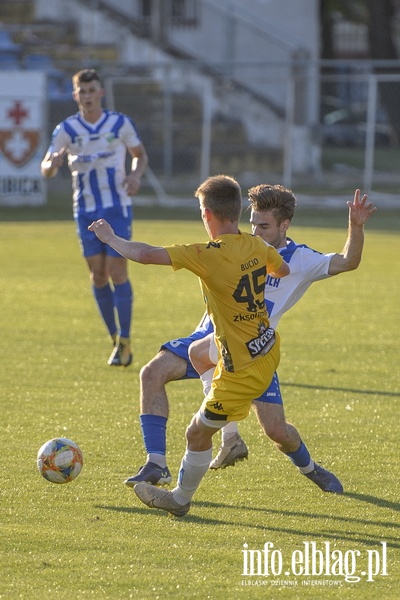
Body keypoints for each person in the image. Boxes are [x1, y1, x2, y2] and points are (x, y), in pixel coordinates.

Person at [123, 185, 376, 494]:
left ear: (285, 225)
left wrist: (356, 226)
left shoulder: (301, 260)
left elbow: (349, 261)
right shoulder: (239, 243)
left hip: (253, 351)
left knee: (277, 431)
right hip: (211, 337)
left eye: (264, 225)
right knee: (153, 372)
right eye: (253, 222)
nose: (255, 230)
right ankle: (158, 462)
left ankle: (311, 469)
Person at [89, 174, 290, 516]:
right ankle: (228, 435)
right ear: (238, 211)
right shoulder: (258, 246)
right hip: (267, 347)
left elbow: (147, 254)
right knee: (199, 351)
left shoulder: (206, 254)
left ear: (207, 215)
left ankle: (180, 499)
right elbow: (282, 270)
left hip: (241, 370)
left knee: (195, 434)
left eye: (201, 210)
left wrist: (110, 239)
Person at [41, 68, 148, 366]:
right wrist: (53, 163)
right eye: (82, 91)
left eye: (92, 90)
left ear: (101, 92)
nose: (87, 96)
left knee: (117, 272)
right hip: (85, 209)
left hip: (117, 207)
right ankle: (115, 340)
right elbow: (46, 169)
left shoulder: (119, 123)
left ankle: (125, 340)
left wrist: (135, 176)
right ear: (75, 95)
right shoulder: (67, 129)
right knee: (98, 275)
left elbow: (139, 153)